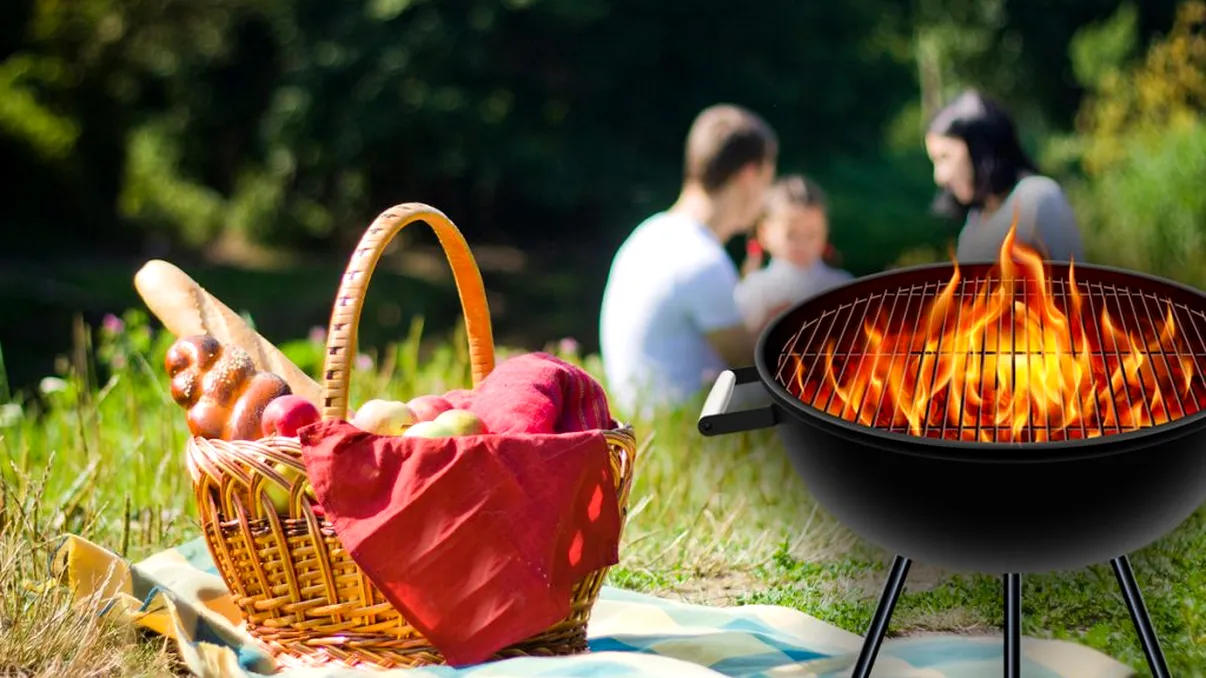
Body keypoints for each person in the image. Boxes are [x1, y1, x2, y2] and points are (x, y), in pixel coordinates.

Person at [599, 104, 777, 416]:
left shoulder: (650, 233)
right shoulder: (703, 260)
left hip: (641, 416)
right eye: (767, 181)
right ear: (749, 176)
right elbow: (751, 360)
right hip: (684, 423)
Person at [924, 90, 1085, 263]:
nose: (939, 177)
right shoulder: (974, 224)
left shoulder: (1036, 198)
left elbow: (1074, 282)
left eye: (945, 157)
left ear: (979, 148)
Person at [734, 175, 853, 332]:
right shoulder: (754, 289)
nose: (802, 244)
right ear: (764, 233)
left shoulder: (842, 286)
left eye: (811, 234)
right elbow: (739, 348)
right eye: (791, 235)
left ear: (825, 233)